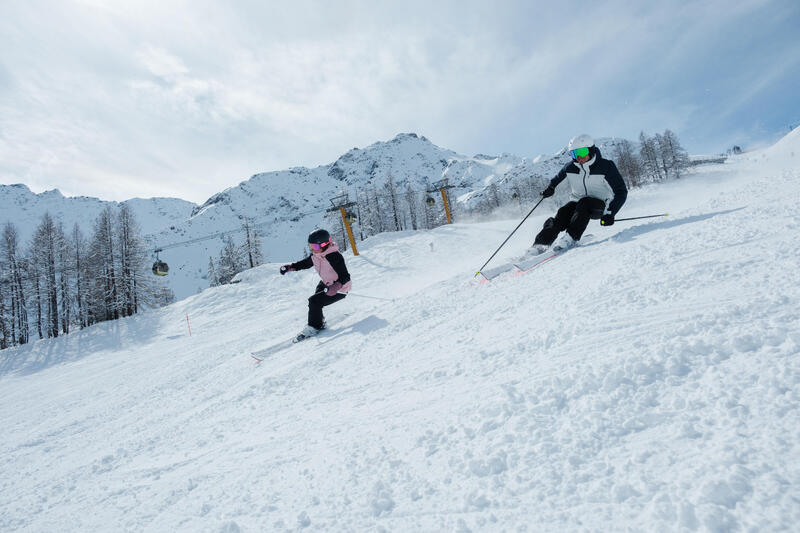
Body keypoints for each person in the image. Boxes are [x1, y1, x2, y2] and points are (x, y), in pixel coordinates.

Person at [532, 134, 628, 253]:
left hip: (600, 206)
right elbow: (557, 179)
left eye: (582, 152)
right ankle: (540, 244)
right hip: (578, 206)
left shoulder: (606, 166)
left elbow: (621, 191)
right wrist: (551, 188)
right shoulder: (570, 167)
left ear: (591, 150)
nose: (579, 157)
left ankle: (570, 238)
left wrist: (610, 213)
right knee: (563, 212)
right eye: (574, 154)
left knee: (585, 202)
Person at [280, 229, 352, 341]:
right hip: (326, 284)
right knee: (316, 299)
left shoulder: (333, 256)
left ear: (325, 244)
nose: (313, 249)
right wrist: (291, 267)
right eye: (311, 246)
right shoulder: (317, 255)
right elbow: (306, 263)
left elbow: (345, 276)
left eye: (316, 247)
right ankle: (319, 321)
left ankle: (314, 326)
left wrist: (337, 286)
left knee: (314, 301)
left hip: (340, 288)